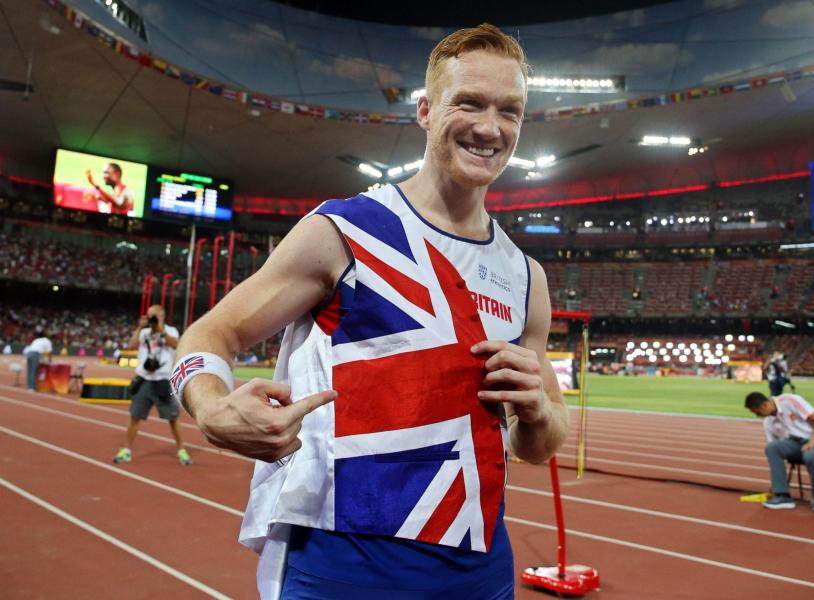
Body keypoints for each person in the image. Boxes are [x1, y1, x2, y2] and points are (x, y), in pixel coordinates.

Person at [172, 23, 567, 600]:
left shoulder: (526, 277)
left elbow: (539, 443)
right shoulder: (344, 231)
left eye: (510, 111)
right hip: (340, 566)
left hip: (480, 573)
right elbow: (213, 332)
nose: (490, 127)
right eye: (470, 103)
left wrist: (535, 411)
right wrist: (208, 407)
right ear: (426, 111)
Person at [113, 305, 191, 465]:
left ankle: (181, 449)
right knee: (135, 416)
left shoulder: (171, 330)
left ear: (162, 316)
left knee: (173, 417)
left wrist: (161, 330)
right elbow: (131, 345)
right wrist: (139, 327)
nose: (151, 319)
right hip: (144, 380)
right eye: (149, 316)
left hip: (163, 380)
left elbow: (176, 344)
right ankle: (126, 449)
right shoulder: (144, 333)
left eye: (154, 316)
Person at [745, 391, 814, 512]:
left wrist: (812, 441)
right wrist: (775, 484)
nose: (758, 416)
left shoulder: (789, 401)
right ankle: (782, 495)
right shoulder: (768, 422)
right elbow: (773, 446)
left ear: (764, 405)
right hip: (796, 444)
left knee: (810, 456)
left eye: (758, 413)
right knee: (772, 448)